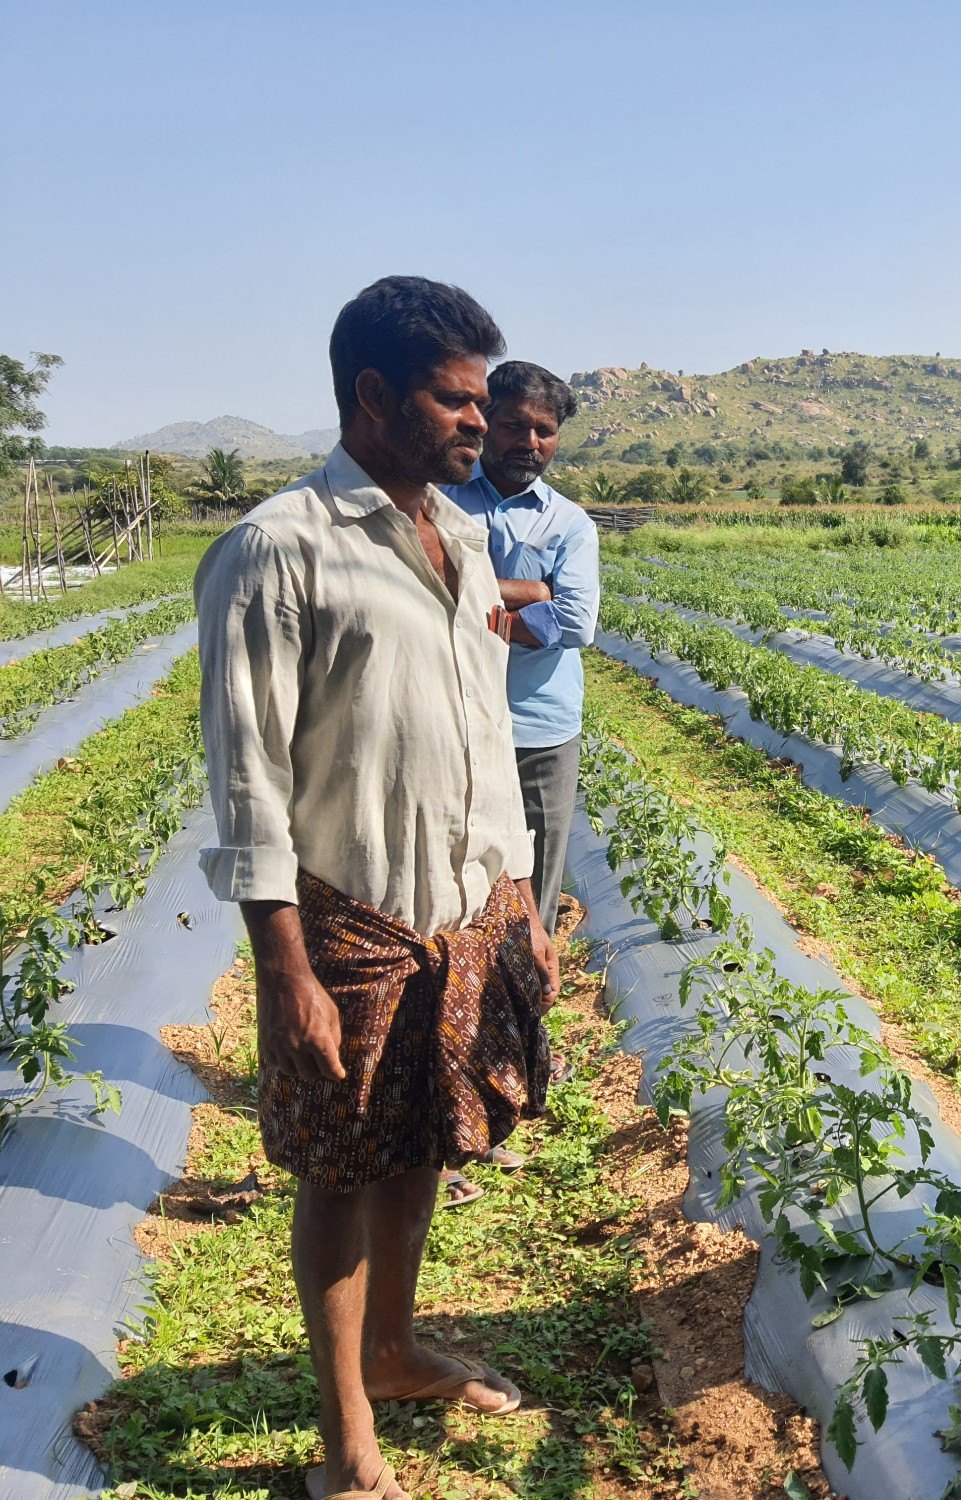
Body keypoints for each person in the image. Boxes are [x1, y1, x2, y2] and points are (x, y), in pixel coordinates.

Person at [195, 276, 559, 1500]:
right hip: (348, 912)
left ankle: (398, 1350)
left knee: (422, 1142)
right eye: (454, 401)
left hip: (461, 913)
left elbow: (482, 743)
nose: (480, 421)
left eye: (480, 399)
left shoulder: (456, 537)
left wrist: (519, 904)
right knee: (340, 1164)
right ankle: (344, 1437)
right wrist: (282, 965)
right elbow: (247, 779)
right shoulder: (276, 550)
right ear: (372, 395)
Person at [438, 361, 599, 1205]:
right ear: (482, 421)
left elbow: (575, 621)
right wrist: (515, 592)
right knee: (451, 906)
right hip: (451, 728)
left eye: (545, 430)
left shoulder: (570, 521)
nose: (529, 442)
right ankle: (446, 1098)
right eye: (515, 426)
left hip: (538, 735)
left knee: (530, 911)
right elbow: (415, 593)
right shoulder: (437, 503)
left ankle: (514, 1069)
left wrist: (469, 595)